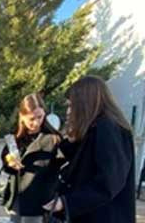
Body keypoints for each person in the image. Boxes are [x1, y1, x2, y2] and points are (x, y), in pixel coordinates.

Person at [45, 76, 136, 223]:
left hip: (105, 216)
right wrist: (71, 139)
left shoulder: (108, 127)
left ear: (85, 103)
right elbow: (85, 163)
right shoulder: (96, 127)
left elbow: (108, 182)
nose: (68, 112)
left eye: (71, 106)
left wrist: (67, 203)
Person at [0, 93, 63, 223]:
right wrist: (9, 162)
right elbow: (7, 168)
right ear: (22, 117)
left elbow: (62, 168)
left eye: (40, 117)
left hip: (40, 202)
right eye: (31, 119)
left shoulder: (54, 139)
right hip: (17, 201)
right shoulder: (14, 139)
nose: (36, 122)